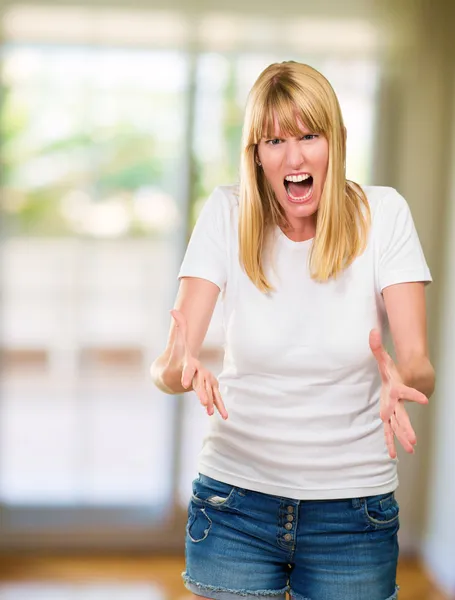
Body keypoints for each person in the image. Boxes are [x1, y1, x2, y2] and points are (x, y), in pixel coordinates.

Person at [151, 61, 435, 600]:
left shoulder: (385, 214)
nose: (295, 156)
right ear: (256, 154)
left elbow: (419, 362)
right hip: (235, 505)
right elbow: (167, 365)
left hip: (354, 513)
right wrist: (179, 370)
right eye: (275, 140)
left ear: (337, 142)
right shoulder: (226, 214)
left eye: (310, 135)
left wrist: (405, 375)